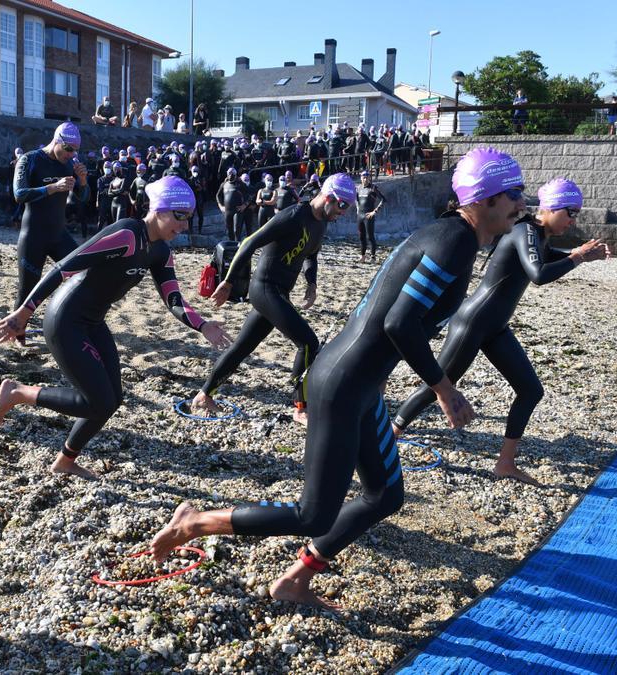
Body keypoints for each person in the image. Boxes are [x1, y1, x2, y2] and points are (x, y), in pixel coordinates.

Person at [149, 148, 524, 608]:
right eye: (514, 194)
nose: (521, 204)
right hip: (341, 383)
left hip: (361, 385)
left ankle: (294, 579)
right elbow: (399, 324)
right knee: (312, 513)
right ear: (485, 198)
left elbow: (397, 319)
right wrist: (443, 388)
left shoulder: (453, 237)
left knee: (384, 495)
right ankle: (195, 521)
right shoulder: (455, 241)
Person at [0, 176, 231, 480]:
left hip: (93, 321)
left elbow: (173, 298)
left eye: (188, 219)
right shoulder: (127, 234)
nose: (183, 226)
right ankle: (18, 392)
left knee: (112, 400)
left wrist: (203, 324)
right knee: (96, 400)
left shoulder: (161, 252)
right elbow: (64, 267)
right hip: (65, 319)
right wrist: (24, 311)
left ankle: (64, 461)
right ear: (159, 209)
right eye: (179, 217)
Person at [392, 178, 609, 485]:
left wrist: (579, 255)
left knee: (531, 391)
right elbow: (538, 274)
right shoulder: (525, 230)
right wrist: (578, 257)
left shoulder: (539, 236)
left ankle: (505, 463)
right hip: (472, 323)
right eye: (570, 211)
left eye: (577, 214)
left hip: (494, 327)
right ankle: (388, 438)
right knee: (436, 388)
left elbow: (546, 258)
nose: (573, 219)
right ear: (549, 208)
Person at [192, 172, 355, 426]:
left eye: (348, 207)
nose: (343, 212)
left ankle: (204, 394)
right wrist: (229, 281)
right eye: (342, 205)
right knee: (309, 343)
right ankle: (300, 407)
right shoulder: (293, 215)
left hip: (280, 293)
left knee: (242, 348)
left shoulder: (320, 223)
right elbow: (249, 242)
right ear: (328, 197)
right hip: (265, 289)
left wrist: (311, 283)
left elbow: (311, 255)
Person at [12, 121, 90, 315]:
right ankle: (18, 333)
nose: (71, 154)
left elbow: (84, 198)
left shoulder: (69, 163)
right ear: (56, 141)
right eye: (68, 149)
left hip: (58, 235)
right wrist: (53, 187)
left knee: (85, 275)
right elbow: (19, 194)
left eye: (75, 151)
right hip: (33, 236)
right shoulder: (30, 159)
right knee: (27, 293)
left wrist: (82, 181)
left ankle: (68, 318)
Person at [355, 170, 386, 263]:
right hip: (360, 215)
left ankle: (373, 257)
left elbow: (383, 200)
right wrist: (357, 209)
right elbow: (356, 200)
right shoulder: (359, 188)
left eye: (367, 177)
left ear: (369, 178)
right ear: (361, 178)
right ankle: (363, 256)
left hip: (369, 216)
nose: (365, 179)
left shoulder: (373, 188)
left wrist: (374, 211)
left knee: (370, 237)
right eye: (363, 177)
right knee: (361, 237)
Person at [188, 164, 207, 233]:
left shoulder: (201, 179)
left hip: (199, 198)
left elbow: (205, 189)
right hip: (192, 199)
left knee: (200, 215)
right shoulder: (189, 180)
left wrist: (201, 188)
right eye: (194, 171)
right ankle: (190, 230)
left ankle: (200, 230)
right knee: (191, 216)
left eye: (196, 171)